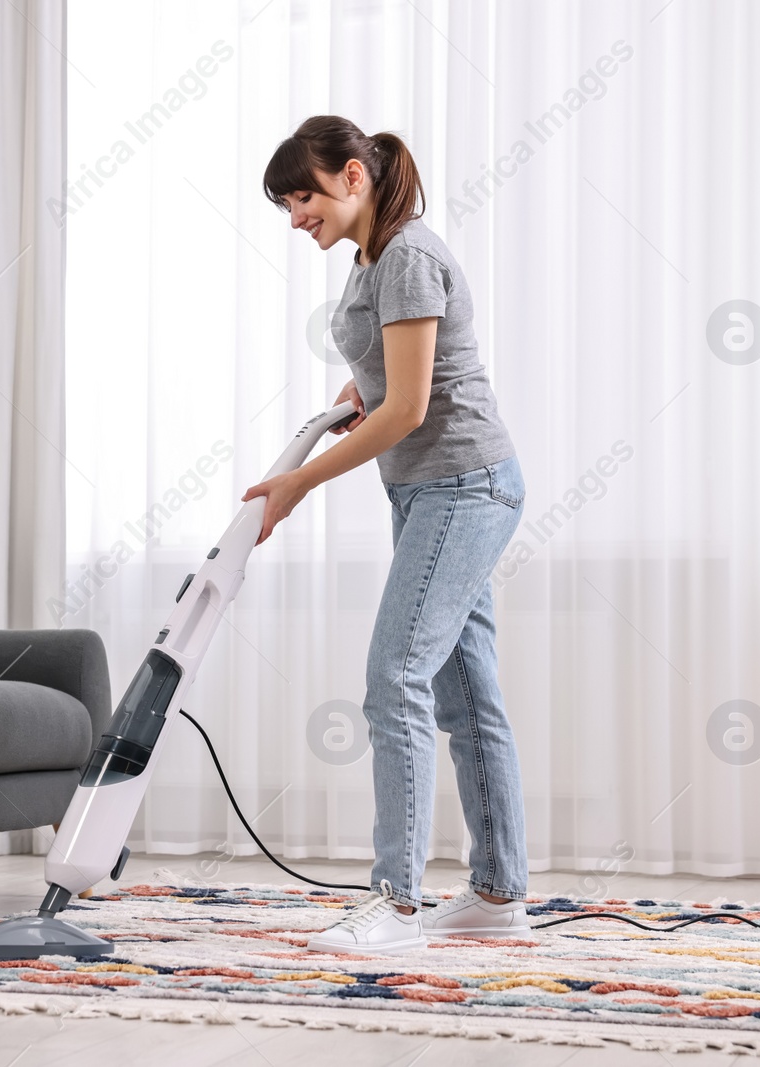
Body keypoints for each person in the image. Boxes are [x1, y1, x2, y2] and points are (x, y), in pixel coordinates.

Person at [244, 115, 529, 954]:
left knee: (393, 677)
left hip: (462, 485)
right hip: (430, 492)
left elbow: (410, 409)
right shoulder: (375, 257)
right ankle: (498, 894)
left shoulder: (404, 254)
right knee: (466, 695)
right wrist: (355, 391)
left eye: (304, 197)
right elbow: (396, 377)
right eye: (290, 205)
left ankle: (396, 907)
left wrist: (299, 484)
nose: (298, 217)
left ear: (353, 179)